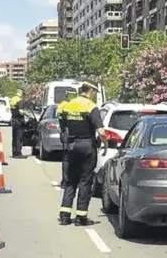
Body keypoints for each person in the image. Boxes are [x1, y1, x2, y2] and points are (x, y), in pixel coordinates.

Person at [58, 81, 108, 226]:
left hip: (71, 146)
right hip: (87, 146)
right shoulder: (91, 107)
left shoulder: (69, 105)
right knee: (85, 181)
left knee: (70, 181)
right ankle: (81, 217)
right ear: (91, 91)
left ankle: (65, 215)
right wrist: (105, 144)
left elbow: (63, 126)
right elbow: (101, 131)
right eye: (94, 93)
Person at [56, 89, 78, 189]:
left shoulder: (62, 105)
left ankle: (65, 181)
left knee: (66, 159)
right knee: (73, 159)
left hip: (66, 133)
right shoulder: (78, 104)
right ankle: (72, 180)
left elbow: (59, 117)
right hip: (76, 134)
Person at [9, 89, 31, 159]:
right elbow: (21, 111)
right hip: (19, 120)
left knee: (14, 137)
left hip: (14, 120)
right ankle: (18, 153)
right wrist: (28, 115)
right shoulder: (20, 100)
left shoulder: (12, 99)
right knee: (19, 137)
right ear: (21, 93)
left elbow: (13, 109)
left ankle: (14, 152)